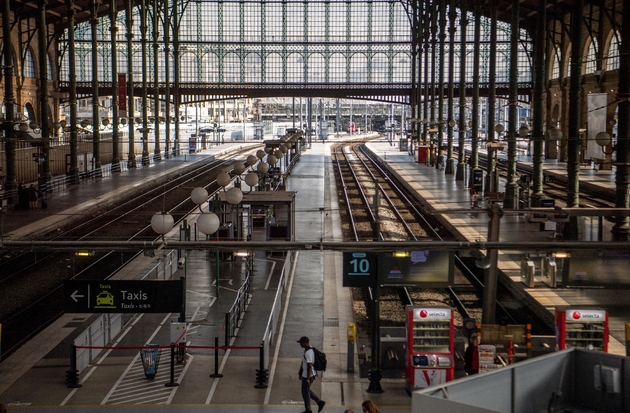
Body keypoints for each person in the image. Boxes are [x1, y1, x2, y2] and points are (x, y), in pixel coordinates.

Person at [297, 336, 326, 413]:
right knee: (306, 391)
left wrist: (307, 379)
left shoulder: (308, 353)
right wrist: (300, 373)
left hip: (308, 375)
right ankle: (319, 402)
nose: (300, 344)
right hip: (306, 374)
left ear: (305, 343)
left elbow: (309, 366)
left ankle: (308, 409)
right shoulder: (309, 349)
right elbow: (304, 363)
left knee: (305, 392)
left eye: (301, 343)